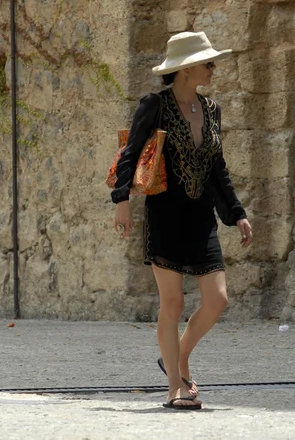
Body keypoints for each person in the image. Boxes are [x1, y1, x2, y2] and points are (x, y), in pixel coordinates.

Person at [112, 31, 252, 410]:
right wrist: (121, 200)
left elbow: (217, 167)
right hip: (165, 215)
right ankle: (174, 385)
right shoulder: (154, 105)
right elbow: (130, 154)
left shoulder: (212, 110)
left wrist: (236, 214)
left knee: (217, 299)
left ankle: (180, 357)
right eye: (208, 62)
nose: (213, 67)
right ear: (187, 68)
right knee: (171, 302)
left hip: (201, 217)